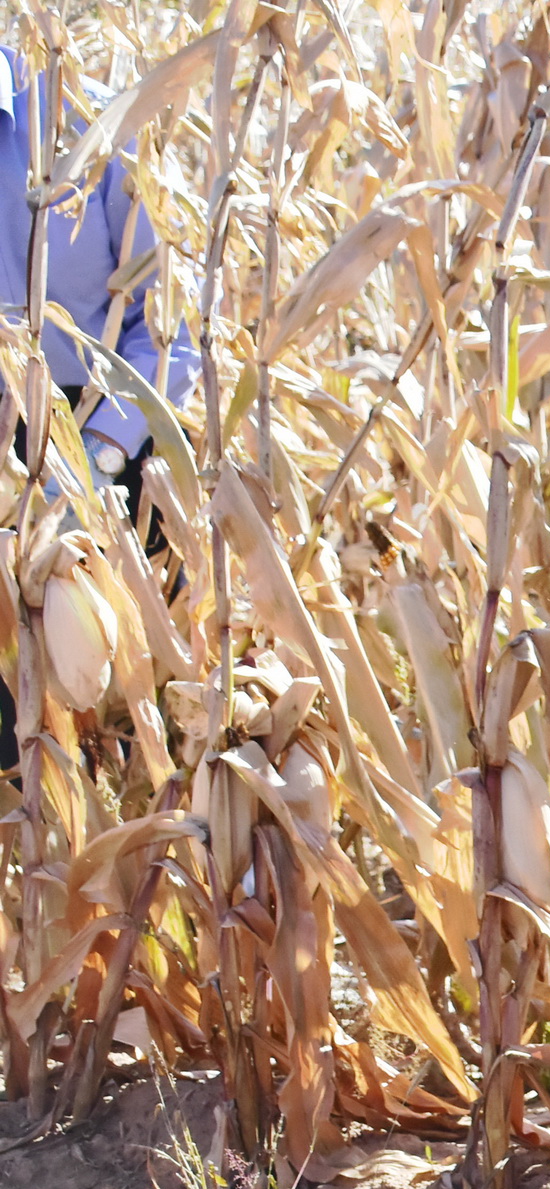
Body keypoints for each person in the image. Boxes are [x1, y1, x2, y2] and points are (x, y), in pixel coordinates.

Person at [2, 46, 200, 767]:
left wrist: (100, 455)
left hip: (104, 430)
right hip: (4, 438)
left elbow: (170, 327)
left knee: (114, 696)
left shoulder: (91, 126)